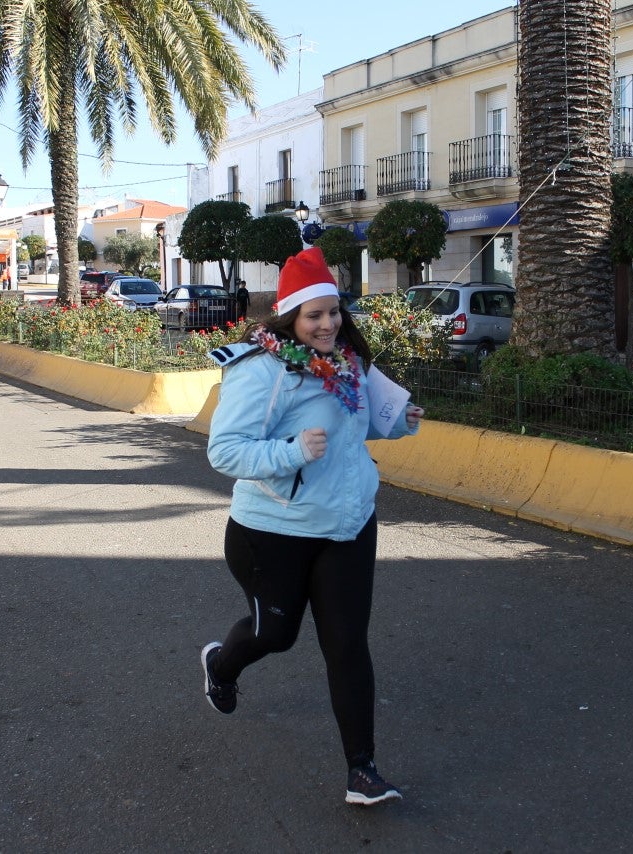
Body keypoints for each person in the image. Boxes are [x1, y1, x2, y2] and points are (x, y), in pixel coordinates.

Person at [201, 246, 424, 807]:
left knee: (348, 645)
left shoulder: (348, 359)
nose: (327, 324)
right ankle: (220, 665)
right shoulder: (260, 368)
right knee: (276, 635)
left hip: (347, 525)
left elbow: (358, 427)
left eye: (333, 312)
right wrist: (292, 451)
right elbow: (224, 451)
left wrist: (399, 424)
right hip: (272, 530)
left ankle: (362, 771)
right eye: (314, 315)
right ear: (290, 319)